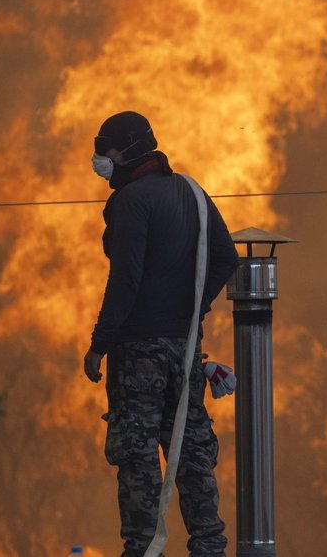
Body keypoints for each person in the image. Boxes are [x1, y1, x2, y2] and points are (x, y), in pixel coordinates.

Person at [81, 111, 238, 557]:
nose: (98, 159)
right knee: (191, 450)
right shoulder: (192, 192)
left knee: (137, 456)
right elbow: (226, 258)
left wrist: (100, 343)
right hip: (186, 348)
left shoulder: (132, 200)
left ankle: (143, 549)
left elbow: (125, 279)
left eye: (104, 148)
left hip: (137, 353)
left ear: (128, 150)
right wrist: (192, 309)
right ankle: (209, 547)